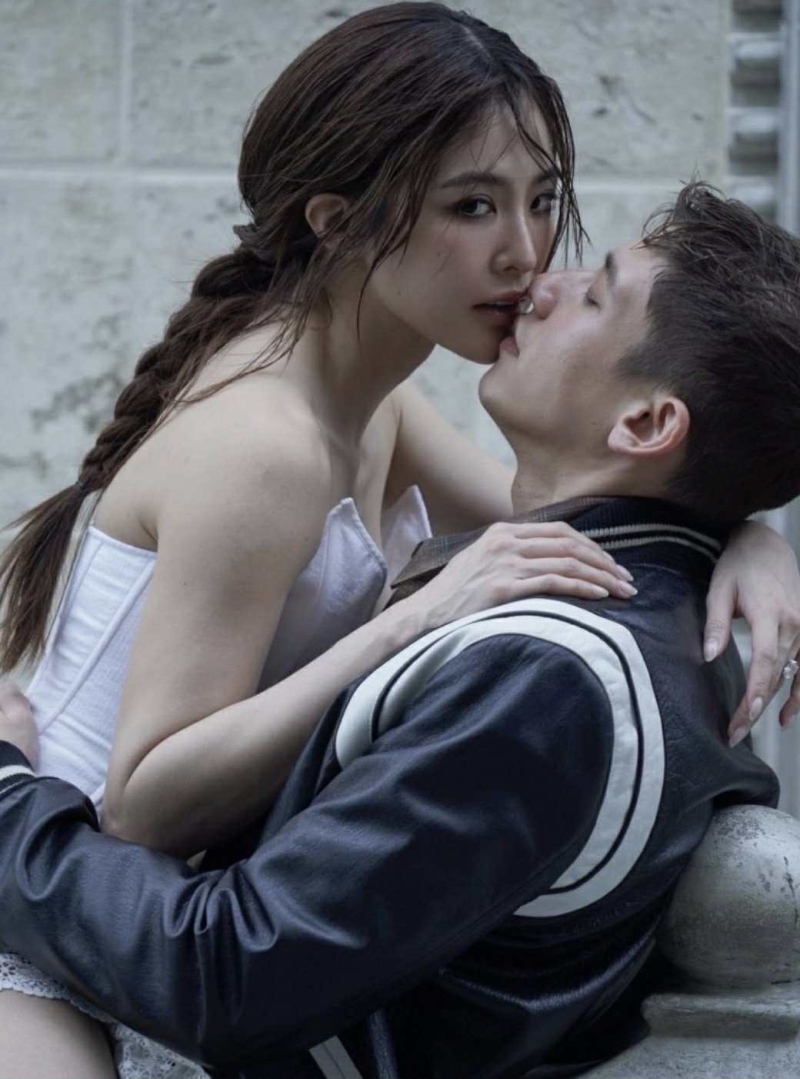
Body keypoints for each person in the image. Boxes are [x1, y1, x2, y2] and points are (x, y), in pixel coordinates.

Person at [1, 5, 798, 1076]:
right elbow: (142, 801)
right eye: (472, 206)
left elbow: (589, 510)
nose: (525, 255)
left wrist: (741, 534)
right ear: (338, 221)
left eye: (542, 199)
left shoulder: (377, 407)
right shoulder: (267, 448)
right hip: (48, 910)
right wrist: (411, 620)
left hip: (121, 911)